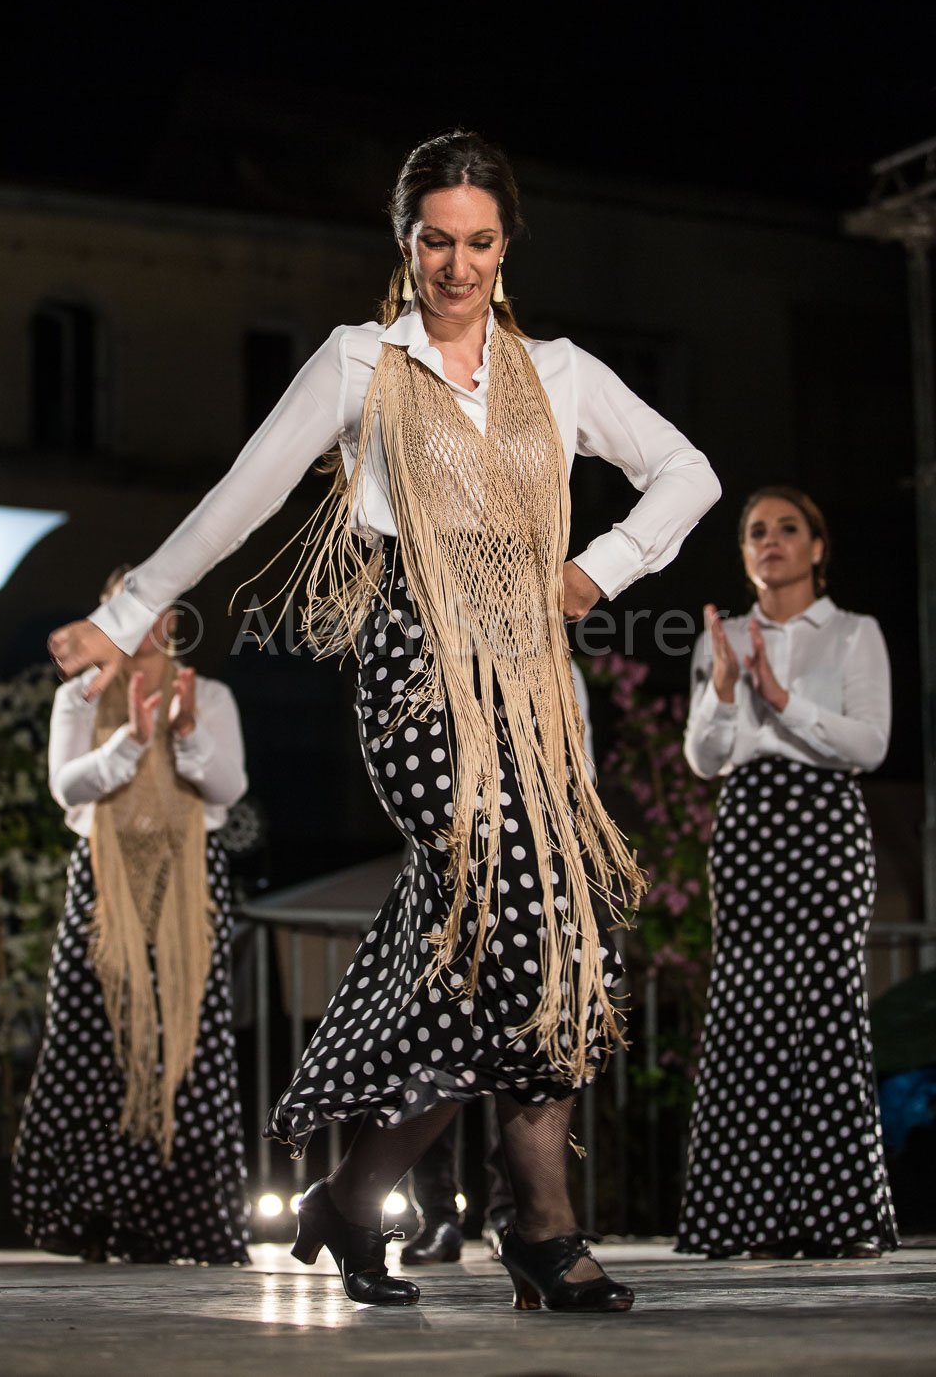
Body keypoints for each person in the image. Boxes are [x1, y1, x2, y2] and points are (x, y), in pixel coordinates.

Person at [48, 131, 720, 1310]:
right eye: (434, 241)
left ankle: (356, 1195)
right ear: (404, 242)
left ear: (506, 247)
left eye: (478, 242)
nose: (455, 266)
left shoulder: (558, 372)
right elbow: (238, 500)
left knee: (536, 938)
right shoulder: (358, 362)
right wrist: (127, 613)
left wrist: (595, 571)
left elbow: (688, 472)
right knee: (511, 914)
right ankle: (538, 1221)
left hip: (532, 687)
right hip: (417, 675)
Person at [676, 486, 899, 1260]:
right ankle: (748, 1219)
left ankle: (840, 1217)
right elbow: (703, 759)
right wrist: (726, 692)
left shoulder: (854, 633)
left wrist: (782, 700)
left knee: (829, 1009)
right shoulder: (724, 637)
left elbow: (871, 745)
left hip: (827, 823)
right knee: (749, 1011)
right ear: (745, 554)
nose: (770, 540)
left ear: (816, 547)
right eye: (756, 532)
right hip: (748, 824)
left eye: (787, 528)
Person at [13, 569, 250, 1264]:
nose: (142, 623)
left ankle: (167, 1220)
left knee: (187, 1045)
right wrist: (130, 741)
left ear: (171, 620)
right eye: (123, 608)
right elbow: (68, 788)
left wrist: (184, 732)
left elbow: (227, 788)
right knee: (87, 1034)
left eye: (153, 609)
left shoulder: (207, 693)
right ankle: (88, 1212)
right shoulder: (79, 694)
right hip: (104, 883)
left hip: (188, 882)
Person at [401, 661, 597, 1267]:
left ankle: (515, 1215)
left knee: (526, 1035)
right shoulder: (437, 653)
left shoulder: (556, 665)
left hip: (534, 864)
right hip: (452, 862)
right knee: (438, 1039)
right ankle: (436, 1214)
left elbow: (580, 774)